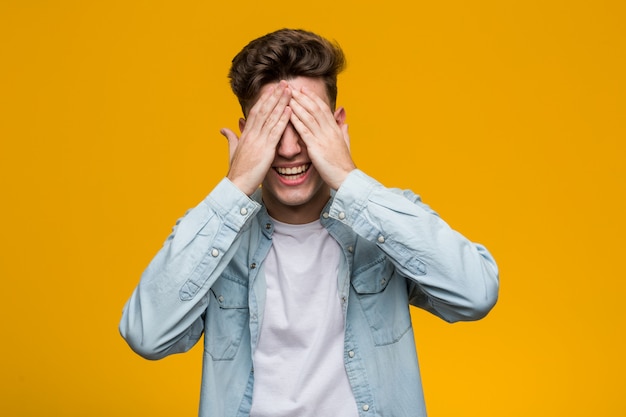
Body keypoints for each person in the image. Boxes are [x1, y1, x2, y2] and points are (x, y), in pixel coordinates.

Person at [119, 28, 499, 417]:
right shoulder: (214, 235)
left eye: (305, 122)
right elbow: (146, 336)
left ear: (336, 124)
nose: (288, 149)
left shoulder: (387, 218)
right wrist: (234, 189)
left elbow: (476, 294)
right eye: (271, 126)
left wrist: (350, 179)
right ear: (247, 133)